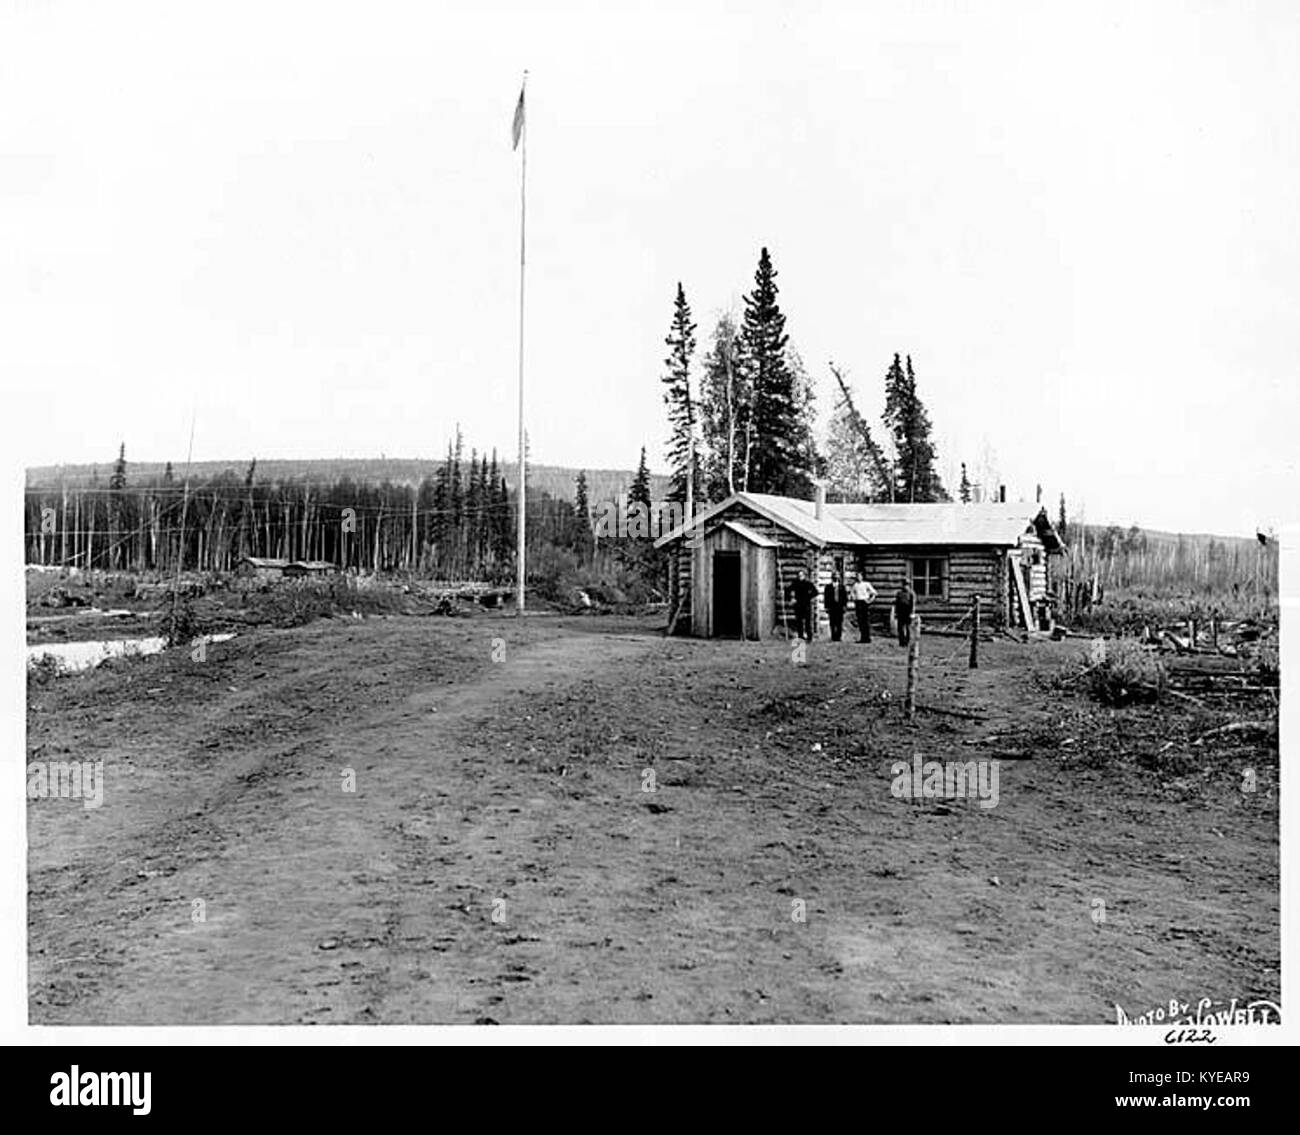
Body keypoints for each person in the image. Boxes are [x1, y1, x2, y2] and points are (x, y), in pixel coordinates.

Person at [785, 569, 818, 642]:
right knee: (799, 622)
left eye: (802, 575)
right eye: (799, 575)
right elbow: (787, 590)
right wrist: (791, 599)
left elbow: (815, 592)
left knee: (807, 622)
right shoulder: (795, 584)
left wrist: (810, 597)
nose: (800, 577)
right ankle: (800, 636)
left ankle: (809, 637)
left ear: (804, 576)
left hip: (807, 605)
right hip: (798, 605)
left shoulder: (808, 584)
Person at [823, 572, 848, 642]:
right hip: (832, 606)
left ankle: (839, 636)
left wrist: (845, 606)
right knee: (832, 622)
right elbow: (826, 598)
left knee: (839, 622)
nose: (836, 577)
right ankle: (833, 636)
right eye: (834, 576)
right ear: (832, 577)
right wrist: (826, 607)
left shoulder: (842, 587)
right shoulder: (828, 587)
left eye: (837, 576)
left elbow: (845, 597)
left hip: (839, 606)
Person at [851, 574, 877, 643]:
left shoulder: (866, 584)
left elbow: (874, 593)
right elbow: (852, 593)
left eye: (860, 576)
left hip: (864, 602)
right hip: (858, 603)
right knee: (860, 621)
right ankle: (862, 637)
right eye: (857, 576)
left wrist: (869, 600)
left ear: (862, 577)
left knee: (865, 621)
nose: (858, 578)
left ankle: (867, 637)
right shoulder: (855, 585)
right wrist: (854, 599)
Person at [893, 578, 915, 647]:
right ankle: (901, 642)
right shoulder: (899, 593)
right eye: (904, 585)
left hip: (907, 611)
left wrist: (912, 613)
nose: (905, 587)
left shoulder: (911, 593)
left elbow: (913, 604)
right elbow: (896, 603)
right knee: (900, 628)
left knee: (908, 627)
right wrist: (896, 612)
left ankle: (907, 641)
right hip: (900, 611)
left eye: (907, 585)